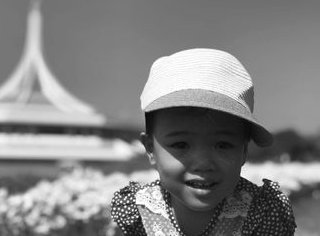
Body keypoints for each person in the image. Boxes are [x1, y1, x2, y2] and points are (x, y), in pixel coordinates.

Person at [111, 48, 296, 235]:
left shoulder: (260, 212)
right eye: (181, 145)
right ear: (150, 149)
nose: (203, 163)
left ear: (244, 151)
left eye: (223, 145)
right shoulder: (141, 211)